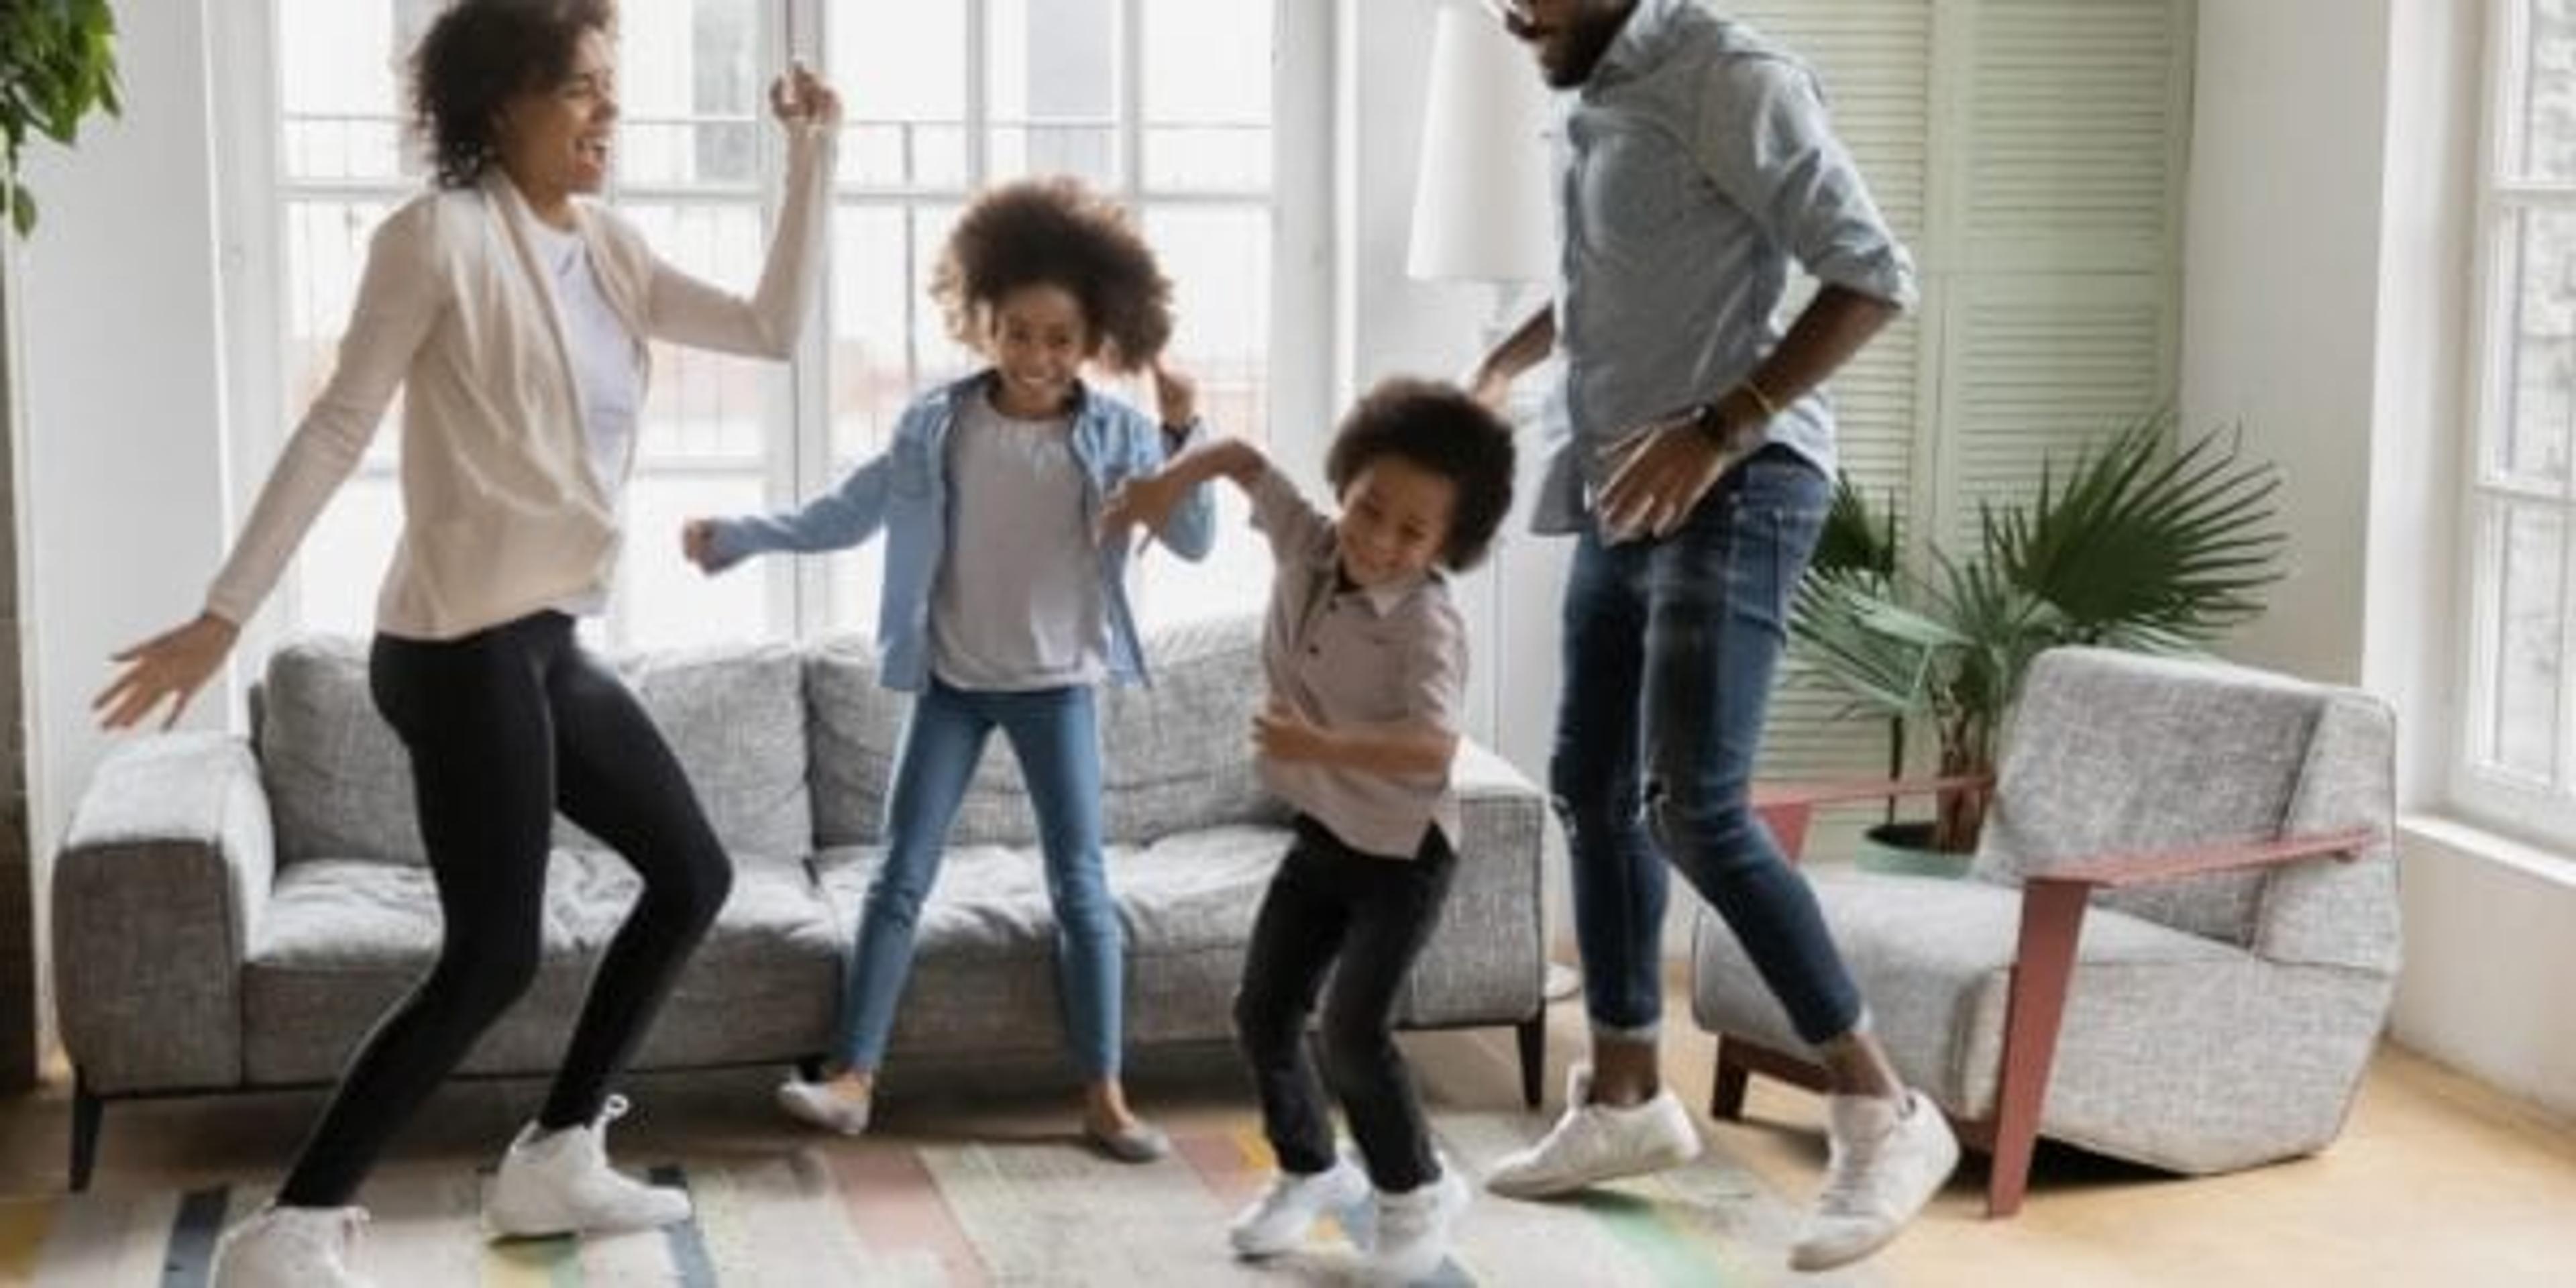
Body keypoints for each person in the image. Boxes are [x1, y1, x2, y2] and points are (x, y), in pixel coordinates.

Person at [90, 3, 841, 1283]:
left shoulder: (609, 249)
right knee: (492, 955)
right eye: (582, 90)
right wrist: (227, 610)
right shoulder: (433, 239)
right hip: (452, 649)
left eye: (614, 87)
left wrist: (812, 159)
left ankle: (553, 1156)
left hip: (543, 641)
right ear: (501, 104)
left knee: (693, 874)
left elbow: (771, 330)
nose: (610, 113)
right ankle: (290, 1233)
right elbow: (335, 428)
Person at [1465, 0, 1957, 1272]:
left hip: (1738, 482)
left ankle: (1884, 1112)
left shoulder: (1731, 76)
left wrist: (1722, 425)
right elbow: (1615, 288)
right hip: (1626, 479)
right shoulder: (1603, 86)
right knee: (1591, 787)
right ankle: (1627, 1095)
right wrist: (1497, 367)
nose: (1513, 12)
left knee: (1692, 803)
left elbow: (1872, 272)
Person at [681, 175, 1217, 1163]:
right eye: (1018, 332)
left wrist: (1185, 436)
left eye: (1061, 338)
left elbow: (1193, 539)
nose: (1039, 356)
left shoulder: (1119, 434)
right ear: (981, 324)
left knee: (1081, 889)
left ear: (1094, 338)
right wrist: (740, 536)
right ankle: (852, 1078)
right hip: (955, 686)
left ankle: (1104, 1094)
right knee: (897, 878)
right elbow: (847, 512)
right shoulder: (938, 426)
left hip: (1059, 688)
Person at [1102, 378, 1515, 1282]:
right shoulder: (1310, 540)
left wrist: (1318, 741)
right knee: (1262, 1012)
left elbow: (1432, 748)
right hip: (1323, 835)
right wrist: (1168, 484)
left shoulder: (1428, 628)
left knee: (1355, 1034)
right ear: (1346, 485)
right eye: (1369, 509)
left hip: (1405, 858)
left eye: (1412, 532)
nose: (1377, 540)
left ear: (1448, 544)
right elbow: (1243, 461)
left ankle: (1414, 1198)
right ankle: (1311, 1170)